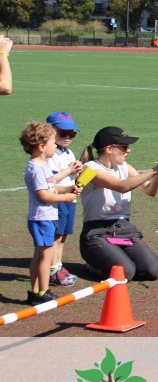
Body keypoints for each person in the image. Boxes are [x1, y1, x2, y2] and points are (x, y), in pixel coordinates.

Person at [78, 126, 158, 281]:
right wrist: (156, 169)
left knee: (152, 271)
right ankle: (94, 264)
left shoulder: (124, 167)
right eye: (124, 147)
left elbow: (150, 190)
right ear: (109, 149)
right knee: (126, 272)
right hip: (97, 232)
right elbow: (122, 186)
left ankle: (113, 257)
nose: (128, 150)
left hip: (123, 229)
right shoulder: (89, 170)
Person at [20, 121, 81, 305]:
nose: (55, 145)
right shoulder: (36, 167)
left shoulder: (43, 165)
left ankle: (36, 291)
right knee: (45, 256)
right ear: (41, 146)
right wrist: (65, 198)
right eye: (53, 142)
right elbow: (44, 195)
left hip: (44, 218)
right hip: (42, 218)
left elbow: (51, 187)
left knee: (40, 255)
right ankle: (42, 292)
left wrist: (67, 188)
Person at [45, 111, 83, 287]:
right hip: (57, 200)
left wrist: (79, 173)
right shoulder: (50, 154)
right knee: (56, 236)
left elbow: (71, 178)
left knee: (63, 235)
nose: (67, 137)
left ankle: (58, 265)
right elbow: (50, 181)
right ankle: (52, 269)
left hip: (69, 199)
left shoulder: (68, 152)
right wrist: (69, 170)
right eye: (63, 133)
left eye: (71, 134)